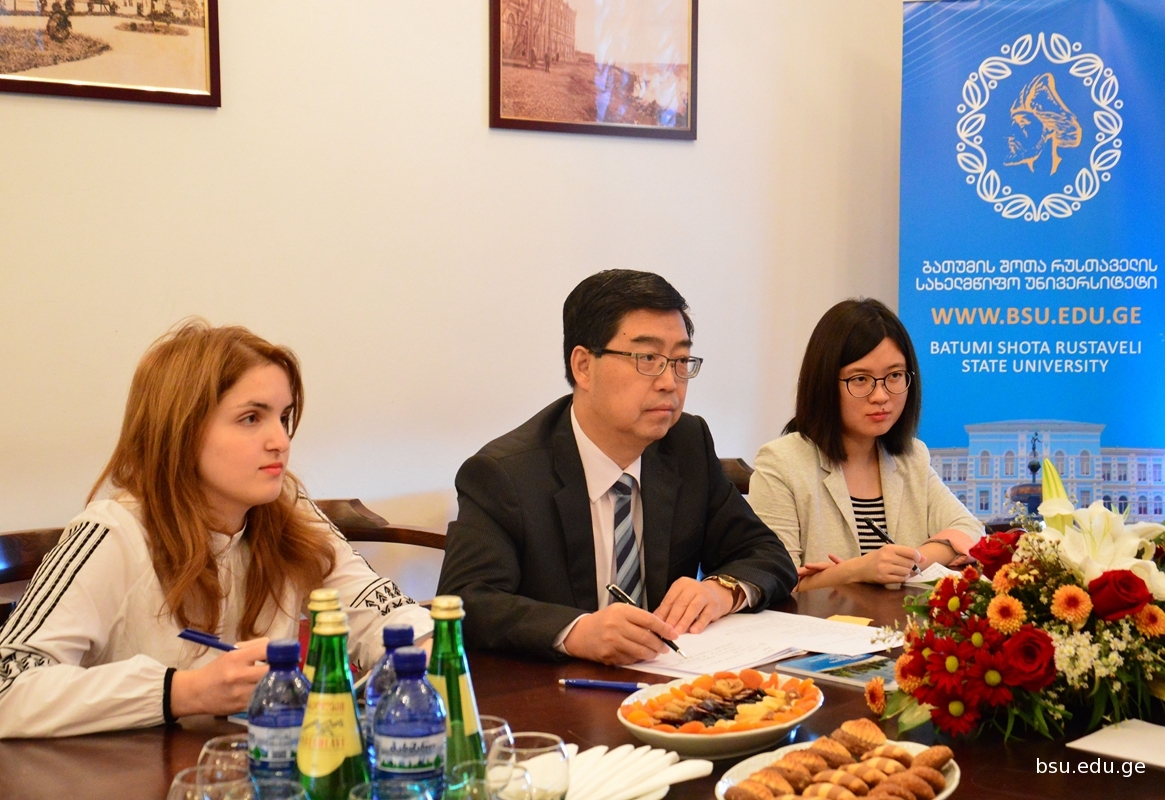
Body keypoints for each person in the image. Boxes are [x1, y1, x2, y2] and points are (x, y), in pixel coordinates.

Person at [0, 320, 431, 738]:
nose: (280, 441)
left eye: (283, 417)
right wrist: (182, 691)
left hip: (256, 763)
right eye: (251, 418)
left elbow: (380, 611)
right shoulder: (111, 533)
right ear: (181, 430)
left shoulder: (287, 509)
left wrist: (427, 645)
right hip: (129, 772)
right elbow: (8, 684)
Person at [437, 270, 798, 665]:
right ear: (583, 366)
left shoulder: (686, 444)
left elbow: (767, 553)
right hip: (559, 689)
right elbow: (465, 600)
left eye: (680, 360)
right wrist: (576, 631)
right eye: (648, 359)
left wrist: (719, 590)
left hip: (669, 680)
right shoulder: (504, 474)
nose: (670, 382)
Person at [748, 299, 982, 591]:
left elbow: (970, 530)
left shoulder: (911, 457)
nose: (881, 395)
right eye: (860, 379)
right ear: (824, 383)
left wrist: (907, 562)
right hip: (820, 620)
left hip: (898, 619)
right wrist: (859, 569)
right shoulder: (781, 463)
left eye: (894, 376)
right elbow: (775, 581)